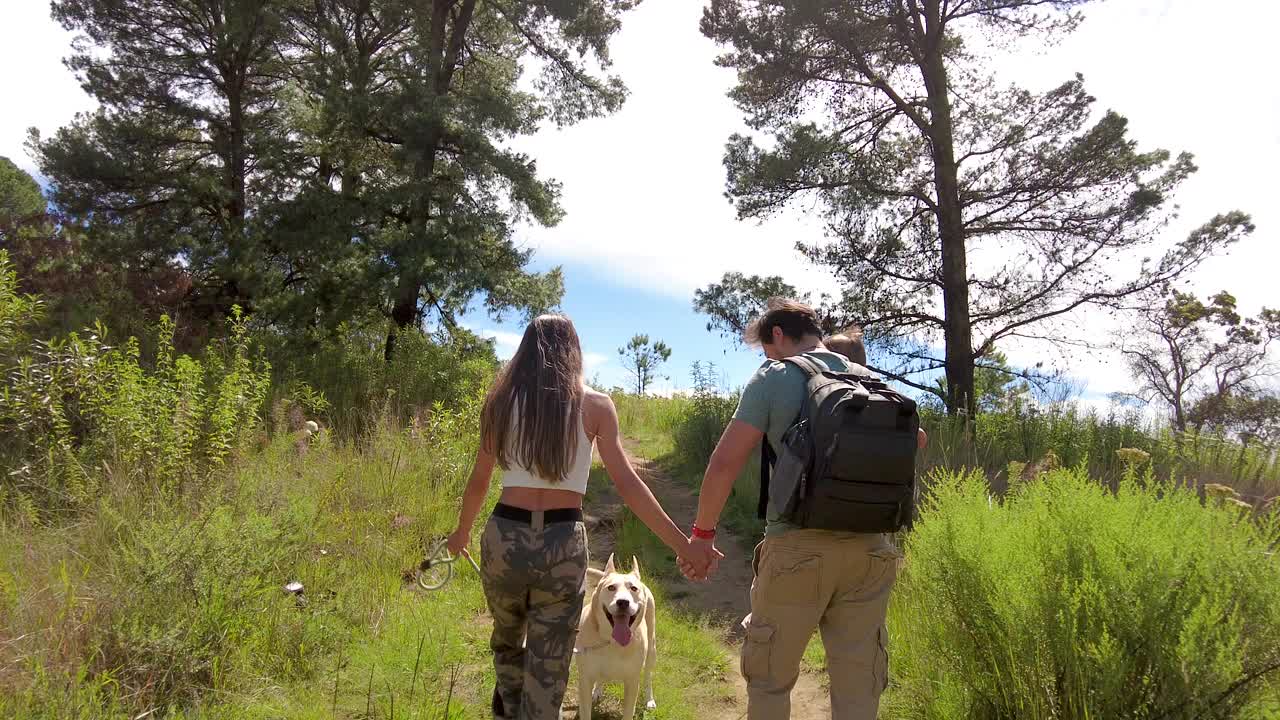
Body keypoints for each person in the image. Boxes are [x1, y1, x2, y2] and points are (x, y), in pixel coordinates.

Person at [446, 314, 720, 720]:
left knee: (507, 639)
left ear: (523, 352)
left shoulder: (499, 403)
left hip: (504, 536)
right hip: (562, 541)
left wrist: (461, 533)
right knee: (551, 655)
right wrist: (685, 546)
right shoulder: (595, 405)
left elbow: (478, 482)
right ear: (573, 351)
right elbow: (628, 485)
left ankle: (509, 704)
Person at [681, 300, 926, 720]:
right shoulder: (868, 378)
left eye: (765, 348)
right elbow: (916, 440)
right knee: (859, 689)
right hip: (871, 552)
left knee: (770, 680)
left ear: (778, 336)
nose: (766, 357)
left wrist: (702, 536)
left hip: (797, 548)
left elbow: (724, 463)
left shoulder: (776, 376)